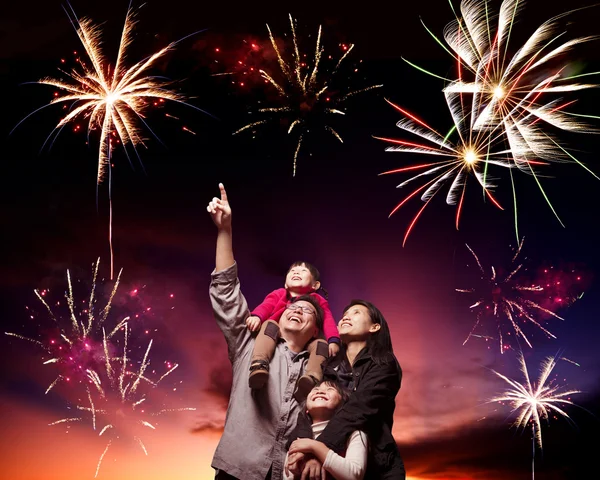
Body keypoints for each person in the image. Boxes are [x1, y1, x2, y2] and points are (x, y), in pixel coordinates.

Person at [206, 183, 326, 480]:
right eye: (293, 308)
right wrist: (225, 231)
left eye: (308, 311)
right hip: (237, 470)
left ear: (315, 332)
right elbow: (226, 293)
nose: (298, 310)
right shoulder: (249, 345)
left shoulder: (323, 369)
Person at [286, 300, 406, 479]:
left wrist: (318, 449)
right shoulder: (329, 367)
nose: (346, 317)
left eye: (356, 312)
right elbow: (308, 409)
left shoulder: (384, 363)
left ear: (374, 327)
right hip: (337, 463)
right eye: (344, 315)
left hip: (378, 468)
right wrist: (301, 447)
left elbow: (360, 407)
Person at [247, 261, 340, 401]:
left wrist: (333, 340)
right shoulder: (279, 294)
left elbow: (328, 319)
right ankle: (259, 364)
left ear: (315, 285)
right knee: (270, 325)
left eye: (303, 271)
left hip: (307, 339)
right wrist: (257, 316)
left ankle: (311, 379)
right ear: (285, 283)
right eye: (292, 271)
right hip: (277, 333)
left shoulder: (318, 300)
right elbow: (267, 305)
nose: (296, 272)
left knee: (321, 344)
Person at [283, 380, 368, 480]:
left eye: (330, 389)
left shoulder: (354, 434)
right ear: (306, 409)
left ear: (343, 405)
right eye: (315, 389)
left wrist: (315, 447)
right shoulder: (297, 438)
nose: (320, 391)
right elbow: (287, 476)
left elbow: (355, 475)